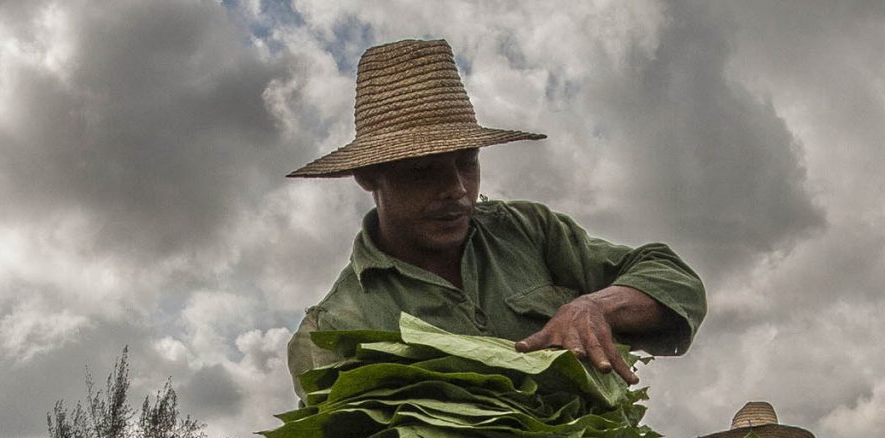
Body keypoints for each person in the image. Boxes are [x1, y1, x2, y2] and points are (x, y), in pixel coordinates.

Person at [286, 38, 706, 399]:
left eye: (467, 163)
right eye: (423, 170)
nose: (457, 189)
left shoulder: (527, 230)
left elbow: (672, 278)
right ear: (368, 176)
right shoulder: (334, 328)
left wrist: (595, 307)